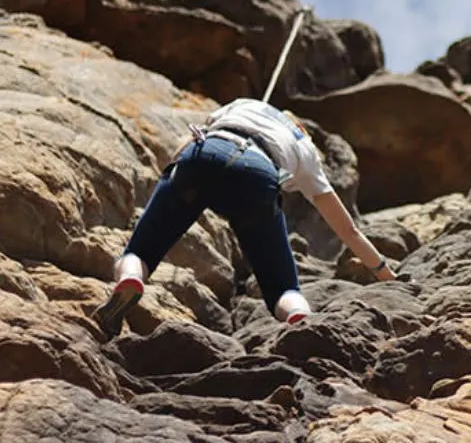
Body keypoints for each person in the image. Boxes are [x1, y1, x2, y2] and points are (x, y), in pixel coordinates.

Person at [91, 97, 396, 338]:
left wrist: (169, 181)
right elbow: (348, 230)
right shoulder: (306, 151)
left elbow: (193, 138)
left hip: (203, 154)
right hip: (258, 176)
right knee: (282, 287)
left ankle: (131, 277)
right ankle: (297, 316)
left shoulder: (245, 104)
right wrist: (387, 276)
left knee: (142, 251)